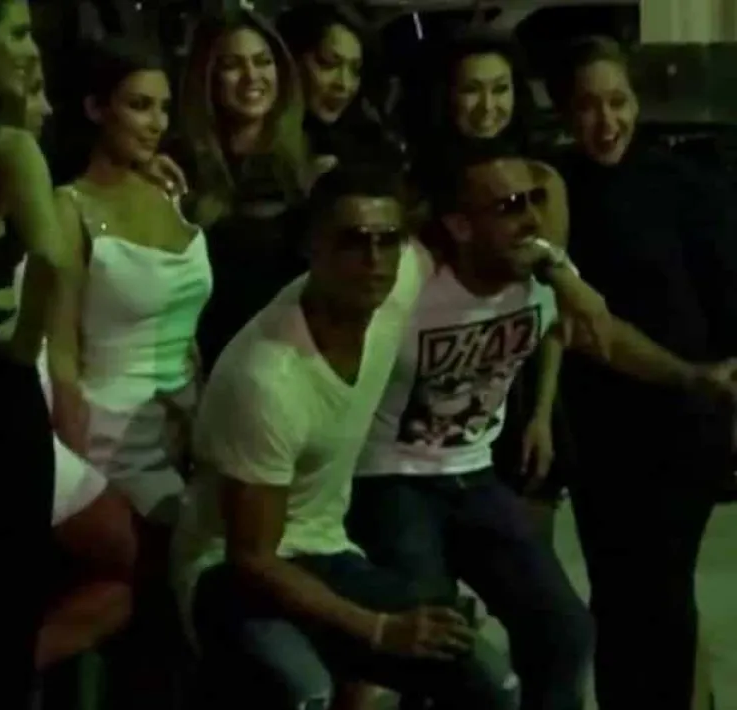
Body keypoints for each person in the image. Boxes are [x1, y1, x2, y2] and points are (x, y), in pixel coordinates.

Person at [172, 158, 625, 709]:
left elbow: (505, 237)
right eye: (353, 241)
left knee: (490, 681)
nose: (374, 259)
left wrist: (562, 276)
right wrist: (379, 629)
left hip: (325, 548)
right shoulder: (267, 380)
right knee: (303, 690)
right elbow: (254, 559)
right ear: (311, 247)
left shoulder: (396, 283)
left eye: (388, 240)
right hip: (228, 574)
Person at [348, 137, 737, 710]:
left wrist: (691, 376)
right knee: (437, 645)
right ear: (459, 225)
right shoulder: (408, 278)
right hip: (391, 476)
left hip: (473, 473)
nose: (532, 218)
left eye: (534, 198)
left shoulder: (542, 271)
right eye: (509, 206)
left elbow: (600, 338)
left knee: (564, 630)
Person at [544, 35, 737, 710]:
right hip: (599, 425)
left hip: (683, 420)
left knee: (663, 589)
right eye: (588, 105)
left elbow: (726, 298)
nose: (607, 122)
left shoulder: (684, 184)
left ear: (636, 103)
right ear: (565, 111)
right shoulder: (554, 190)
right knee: (618, 593)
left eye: (618, 102)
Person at [48, 38, 212, 709]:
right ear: (96, 109)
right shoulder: (68, 207)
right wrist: (78, 470)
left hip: (184, 427)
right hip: (110, 436)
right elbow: (60, 351)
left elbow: (188, 324)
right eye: (140, 106)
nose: (156, 123)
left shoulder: (170, 189)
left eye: (164, 108)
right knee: (166, 586)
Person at [0, 53, 138, 674]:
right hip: (3, 426)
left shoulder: (27, 193)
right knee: (121, 550)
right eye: (35, 92)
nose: (47, 109)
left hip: (31, 419)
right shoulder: (7, 186)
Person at [0, 0, 71, 705]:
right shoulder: (4, 147)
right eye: (19, 32)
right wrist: (25, 345)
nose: (31, 50)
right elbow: (52, 258)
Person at [416, 29, 572, 542]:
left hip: (520, 382)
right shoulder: (417, 180)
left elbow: (552, 310)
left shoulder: (541, 181)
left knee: (528, 552)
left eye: (500, 89)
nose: (488, 107)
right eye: (472, 90)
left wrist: (543, 413)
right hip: (433, 392)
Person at [176, 7, 316, 374]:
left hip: (295, 366)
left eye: (263, 61)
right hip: (212, 366)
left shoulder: (311, 164)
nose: (252, 76)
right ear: (208, 77)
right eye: (232, 65)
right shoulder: (180, 171)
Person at [276, 1, 406, 169]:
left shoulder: (371, 149)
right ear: (291, 60)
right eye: (328, 63)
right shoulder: (263, 146)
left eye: (355, 70)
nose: (344, 84)